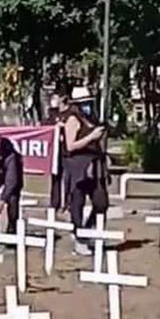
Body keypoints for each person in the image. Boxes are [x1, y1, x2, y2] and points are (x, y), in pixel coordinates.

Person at [60, 93, 108, 256]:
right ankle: (79, 238)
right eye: (85, 103)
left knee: (101, 202)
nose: (88, 105)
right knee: (77, 204)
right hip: (78, 166)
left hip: (95, 165)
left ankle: (88, 231)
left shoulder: (92, 119)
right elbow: (70, 145)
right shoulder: (73, 120)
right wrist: (91, 137)